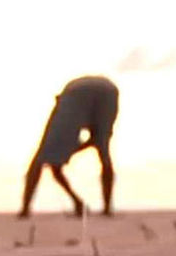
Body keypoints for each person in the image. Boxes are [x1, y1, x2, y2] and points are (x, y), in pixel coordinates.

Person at [18, 75, 118, 218]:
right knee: (104, 151)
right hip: (109, 90)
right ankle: (104, 208)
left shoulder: (65, 105)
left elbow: (49, 160)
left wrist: (72, 150)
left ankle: (25, 209)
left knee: (41, 157)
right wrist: (78, 148)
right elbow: (95, 140)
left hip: (76, 91)